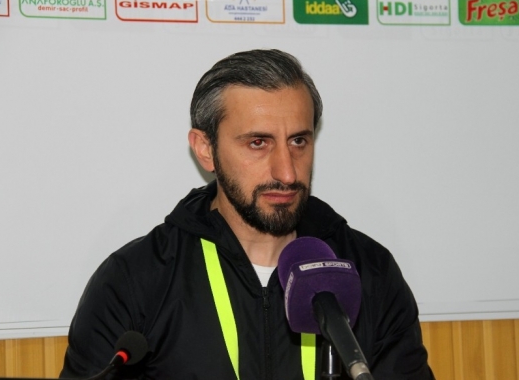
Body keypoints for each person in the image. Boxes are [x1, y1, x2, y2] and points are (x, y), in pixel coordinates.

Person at [60, 49, 434, 379]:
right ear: (205, 149)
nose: (287, 172)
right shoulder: (134, 281)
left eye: (298, 141)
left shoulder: (370, 271)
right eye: (258, 143)